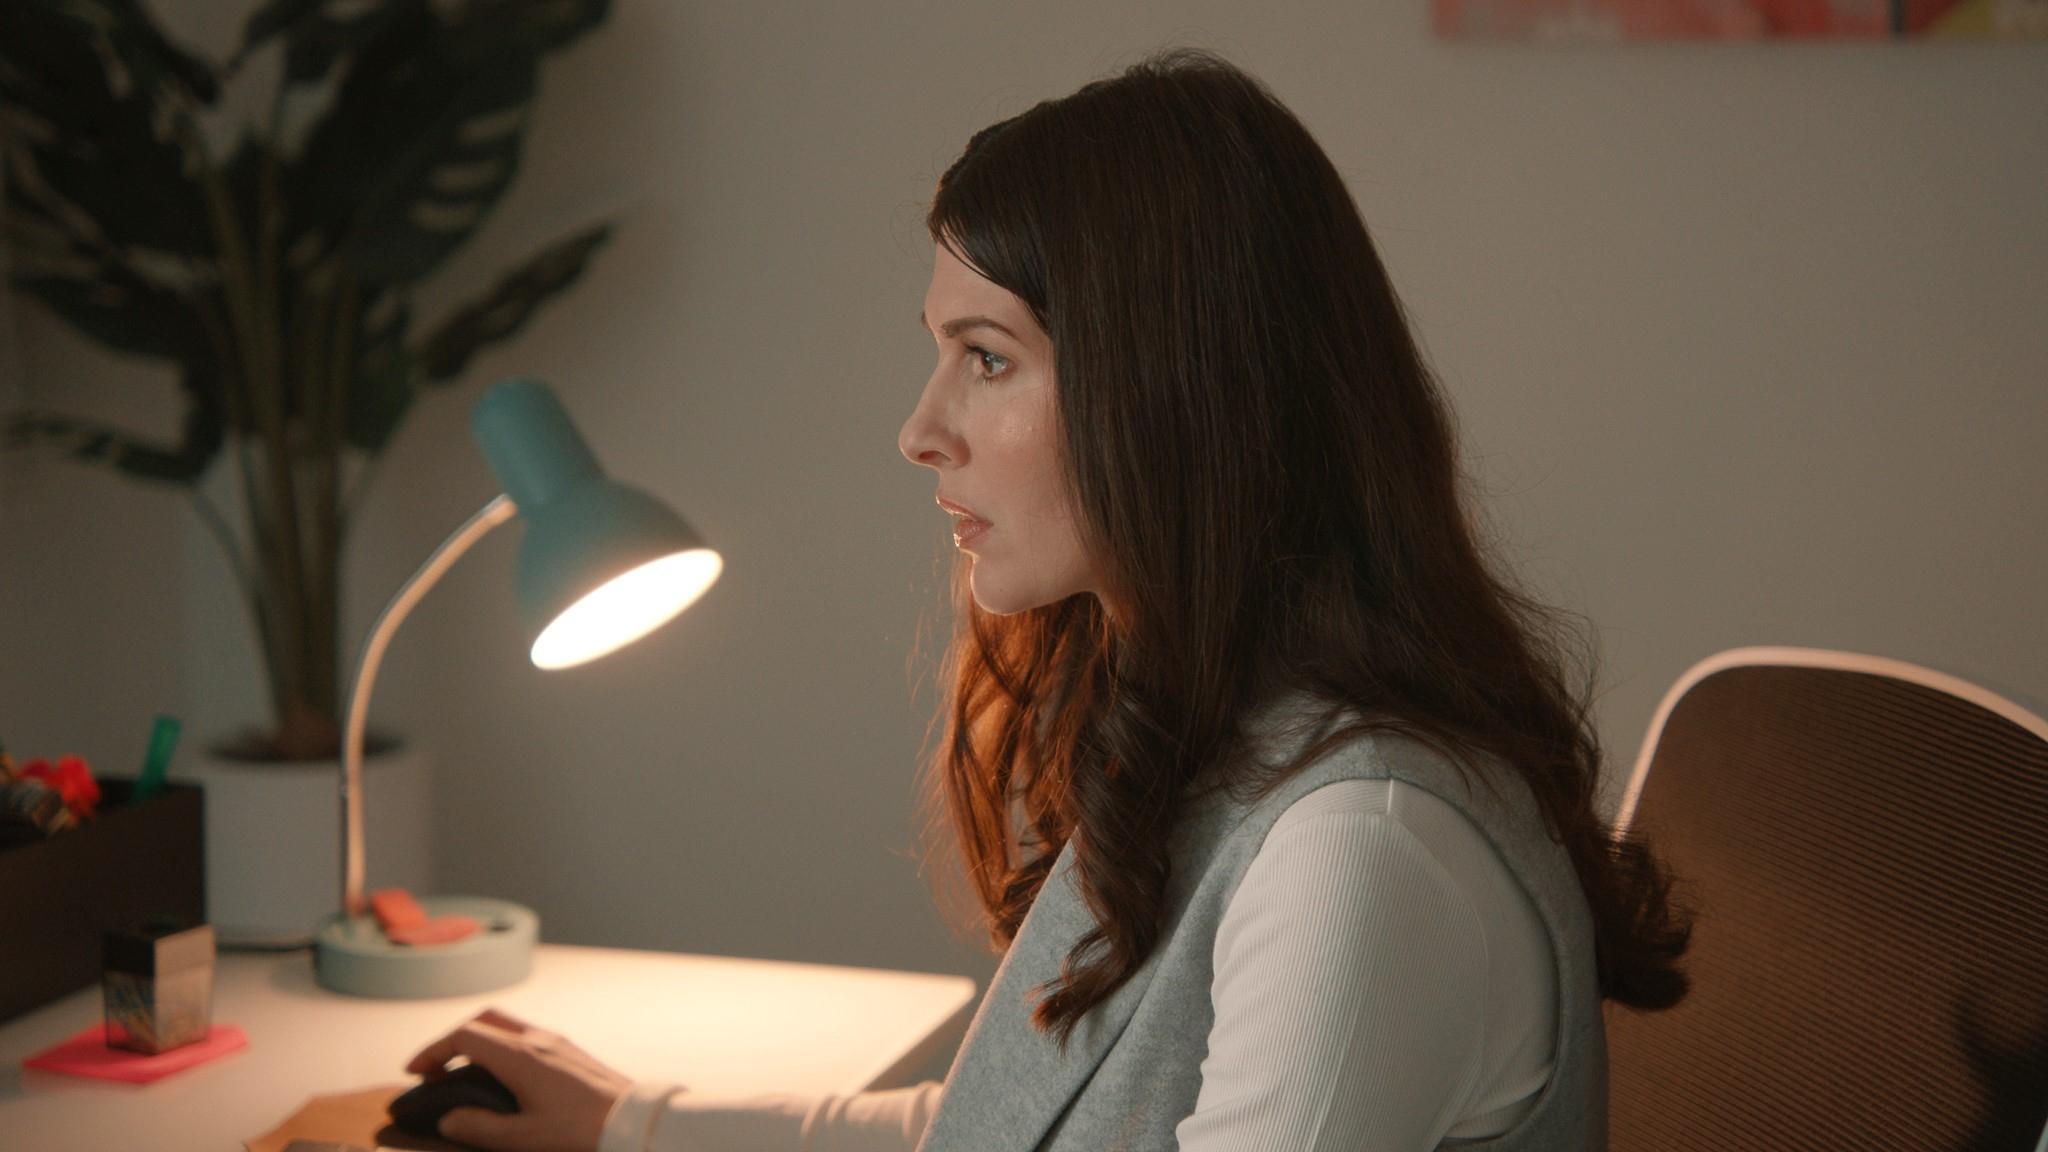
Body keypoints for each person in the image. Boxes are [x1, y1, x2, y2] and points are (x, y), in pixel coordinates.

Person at [401, 47, 1691, 1152]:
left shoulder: (1360, 851)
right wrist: (637, 1124)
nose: (921, 430)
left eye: (987, 359)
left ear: (1175, 392)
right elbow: (1016, 1127)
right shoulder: (1215, 728)